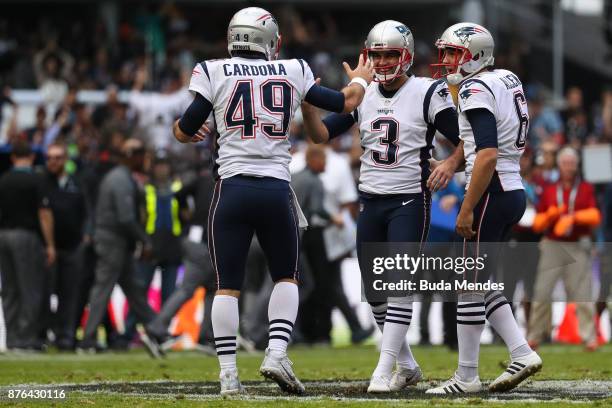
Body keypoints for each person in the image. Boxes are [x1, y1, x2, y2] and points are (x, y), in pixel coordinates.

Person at [172, 7, 373, 395]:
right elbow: (344, 103)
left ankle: (228, 376)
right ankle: (277, 351)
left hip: (230, 189)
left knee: (226, 286)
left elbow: (185, 128)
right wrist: (361, 81)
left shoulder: (211, 70)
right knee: (287, 275)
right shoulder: (293, 69)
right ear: (269, 39)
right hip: (275, 189)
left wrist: (182, 131)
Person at [301, 20, 462, 393]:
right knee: (374, 291)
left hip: (409, 197)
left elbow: (466, 137)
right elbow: (320, 135)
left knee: (399, 282)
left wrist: (451, 163)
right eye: (377, 54)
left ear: (406, 55)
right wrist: (308, 104)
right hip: (370, 200)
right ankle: (405, 364)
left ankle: (383, 368)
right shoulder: (364, 94)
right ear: (367, 56)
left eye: (391, 54)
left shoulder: (426, 92)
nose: (384, 61)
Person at [426, 22, 542, 394]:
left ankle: (468, 375)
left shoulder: (475, 87)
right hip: (512, 189)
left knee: (468, 282)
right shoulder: (505, 77)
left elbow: (487, 152)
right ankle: (520, 351)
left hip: (492, 189)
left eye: (452, 53)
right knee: (478, 282)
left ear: (474, 54)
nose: (445, 61)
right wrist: (451, 163)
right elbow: (485, 143)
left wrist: (466, 208)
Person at [78, 139, 160, 356]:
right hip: (112, 241)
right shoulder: (120, 180)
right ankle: (87, 339)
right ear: (131, 155)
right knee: (103, 288)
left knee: (134, 289)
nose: (144, 160)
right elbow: (125, 218)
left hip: (118, 241)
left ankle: (158, 330)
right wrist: (145, 240)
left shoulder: (122, 177)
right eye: (141, 155)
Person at [529, 146, 600, 351]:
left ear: (577, 166)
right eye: (565, 163)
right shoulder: (550, 189)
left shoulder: (585, 188)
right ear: (559, 165)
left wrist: (573, 217)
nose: (568, 167)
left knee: (582, 293)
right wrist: (552, 215)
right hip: (552, 245)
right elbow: (537, 223)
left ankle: (589, 337)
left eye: (572, 163)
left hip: (577, 244)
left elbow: (595, 216)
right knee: (542, 292)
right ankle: (535, 335)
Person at [0, 140, 55, 350]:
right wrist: (50, 244)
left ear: (13, 157)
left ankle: (12, 338)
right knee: (30, 288)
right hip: (26, 237)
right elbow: (44, 214)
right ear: (31, 157)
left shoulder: (3, 179)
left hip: (3, 236)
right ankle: (26, 338)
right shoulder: (36, 180)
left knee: (10, 290)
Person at [43, 142, 87, 350]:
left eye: (57, 157)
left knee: (69, 294)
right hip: (47, 249)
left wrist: (88, 234)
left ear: (65, 160)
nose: (53, 161)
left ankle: (66, 336)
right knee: (44, 293)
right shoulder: (42, 183)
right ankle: (46, 332)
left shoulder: (76, 184)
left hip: (72, 246)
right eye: (50, 157)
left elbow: (88, 210)